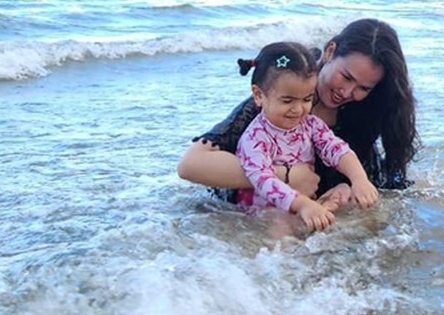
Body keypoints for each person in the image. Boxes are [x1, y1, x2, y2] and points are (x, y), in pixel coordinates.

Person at [177, 18, 420, 204]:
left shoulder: (362, 113)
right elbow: (191, 165)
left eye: (363, 88)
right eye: (346, 77)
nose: (347, 92)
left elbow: (382, 182)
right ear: (330, 52)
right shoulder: (278, 103)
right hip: (252, 210)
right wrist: (287, 177)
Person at [233, 41, 379, 231]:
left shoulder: (311, 124)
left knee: (345, 190)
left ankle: (320, 223)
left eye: (307, 99)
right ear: (259, 95)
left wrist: (359, 178)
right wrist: (302, 204)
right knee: (277, 222)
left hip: (306, 205)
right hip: (264, 212)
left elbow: (337, 149)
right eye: (287, 100)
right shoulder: (254, 137)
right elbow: (262, 180)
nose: (298, 109)